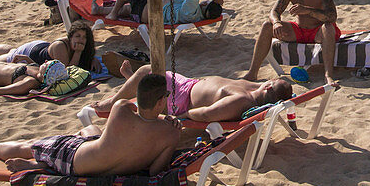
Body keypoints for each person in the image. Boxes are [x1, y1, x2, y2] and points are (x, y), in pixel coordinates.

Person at [0, 72, 181, 177]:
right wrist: (165, 120)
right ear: (161, 102)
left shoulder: (121, 110)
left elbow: (138, 112)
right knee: (90, 130)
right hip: (112, 167)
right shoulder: (171, 134)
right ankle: (44, 164)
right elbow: (155, 171)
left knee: (32, 144)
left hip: (77, 162)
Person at [91, 60, 293, 123]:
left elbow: (208, 113)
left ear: (269, 86)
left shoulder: (242, 99)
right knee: (150, 74)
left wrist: (182, 116)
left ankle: (111, 103)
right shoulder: (255, 87)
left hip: (181, 99)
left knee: (149, 69)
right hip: (187, 85)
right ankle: (134, 82)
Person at [243, 0, 339, 81]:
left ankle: (328, 75)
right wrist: (277, 22)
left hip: (318, 32)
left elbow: (332, 17)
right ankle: (252, 73)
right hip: (299, 31)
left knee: (328, 27)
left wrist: (308, 11)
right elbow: (274, 11)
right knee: (267, 25)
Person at [0, 20, 100, 71]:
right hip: (31, 53)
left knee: (11, 50)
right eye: (77, 36)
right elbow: (66, 71)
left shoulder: (83, 46)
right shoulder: (61, 47)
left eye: (84, 37)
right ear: (70, 37)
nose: (80, 40)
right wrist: (79, 54)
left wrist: (91, 59)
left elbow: (89, 57)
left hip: (39, 46)